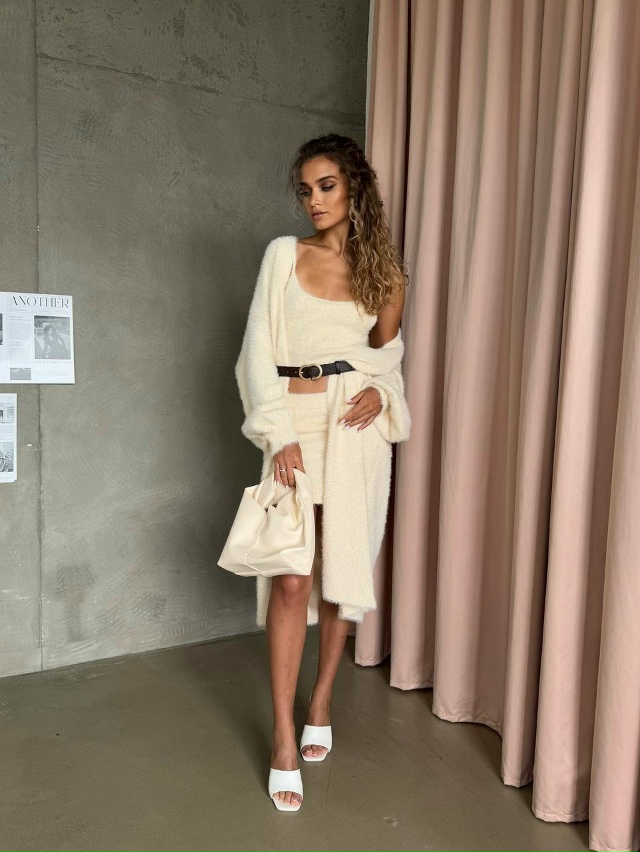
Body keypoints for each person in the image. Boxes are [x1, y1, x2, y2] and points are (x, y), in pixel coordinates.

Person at [234, 134, 411, 812]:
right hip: (296, 421)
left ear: (355, 186)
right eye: (306, 189)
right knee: (291, 577)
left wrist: (383, 396)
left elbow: (386, 361)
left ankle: (322, 702)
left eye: (327, 186)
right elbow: (257, 350)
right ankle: (283, 736)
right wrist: (277, 432)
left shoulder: (386, 276)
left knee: (341, 570)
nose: (313, 200)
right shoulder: (284, 254)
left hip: (354, 433)